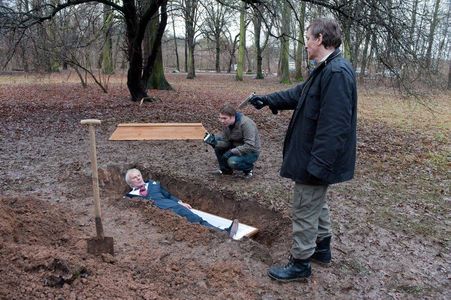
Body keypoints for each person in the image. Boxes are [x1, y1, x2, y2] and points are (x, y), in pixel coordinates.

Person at [248, 18, 357, 281]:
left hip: (316, 159)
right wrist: (268, 100)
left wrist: (318, 167)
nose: (305, 43)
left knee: (304, 207)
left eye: (308, 38)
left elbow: (334, 127)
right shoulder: (324, 68)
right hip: (313, 157)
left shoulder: (336, 73)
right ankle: (322, 249)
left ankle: (300, 264)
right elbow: (301, 94)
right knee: (316, 205)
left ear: (320, 39)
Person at [124, 168, 239, 238]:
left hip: (173, 207)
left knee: (197, 220)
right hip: (159, 217)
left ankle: (223, 233)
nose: (138, 178)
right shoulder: (130, 197)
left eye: (139, 175)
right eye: (134, 178)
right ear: (130, 183)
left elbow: (168, 195)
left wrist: (180, 202)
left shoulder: (154, 185)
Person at [204, 104, 260, 178]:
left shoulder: (246, 124)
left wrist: (231, 152)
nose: (222, 121)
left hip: (251, 151)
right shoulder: (226, 124)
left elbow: (249, 145)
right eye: (220, 118)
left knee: (233, 162)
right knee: (217, 140)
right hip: (236, 145)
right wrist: (214, 143)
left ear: (233, 117)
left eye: (224, 118)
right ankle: (225, 170)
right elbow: (226, 142)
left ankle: (248, 169)